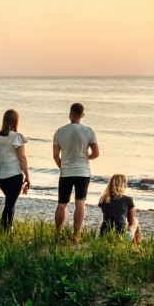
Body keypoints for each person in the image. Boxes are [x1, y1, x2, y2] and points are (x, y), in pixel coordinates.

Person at [52, 102, 99, 240]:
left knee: (62, 203)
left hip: (66, 172)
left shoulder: (59, 131)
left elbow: (55, 155)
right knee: (80, 203)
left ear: (70, 114)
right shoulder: (88, 131)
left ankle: (57, 234)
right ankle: (76, 235)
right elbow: (96, 153)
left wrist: (62, 166)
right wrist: (86, 157)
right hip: (83, 172)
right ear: (83, 115)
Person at [0, 109, 29, 230]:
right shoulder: (17, 136)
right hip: (14, 176)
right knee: (9, 204)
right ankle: (4, 227)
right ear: (16, 121)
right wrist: (27, 175)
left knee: (10, 202)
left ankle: (9, 227)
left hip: (0, 176)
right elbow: (22, 158)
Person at [98, 173, 141, 244]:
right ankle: (134, 244)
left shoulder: (103, 199)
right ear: (123, 185)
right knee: (135, 222)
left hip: (103, 236)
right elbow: (131, 222)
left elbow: (111, 213)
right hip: (121, 237)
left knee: (108, 220)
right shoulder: (128, 199)